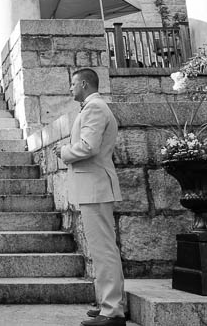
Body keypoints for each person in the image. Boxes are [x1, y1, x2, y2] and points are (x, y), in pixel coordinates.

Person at [55, 68, 126, 326]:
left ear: (84, 84)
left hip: (95, 187)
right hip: (92, 187)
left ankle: (112, 310)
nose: (71, 88)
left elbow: (88, 146)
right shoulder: (91, 108)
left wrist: (63, 151)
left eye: (73, 84)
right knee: (102, 249)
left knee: (104, 249)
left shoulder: (95, 108)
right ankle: (108, 302)